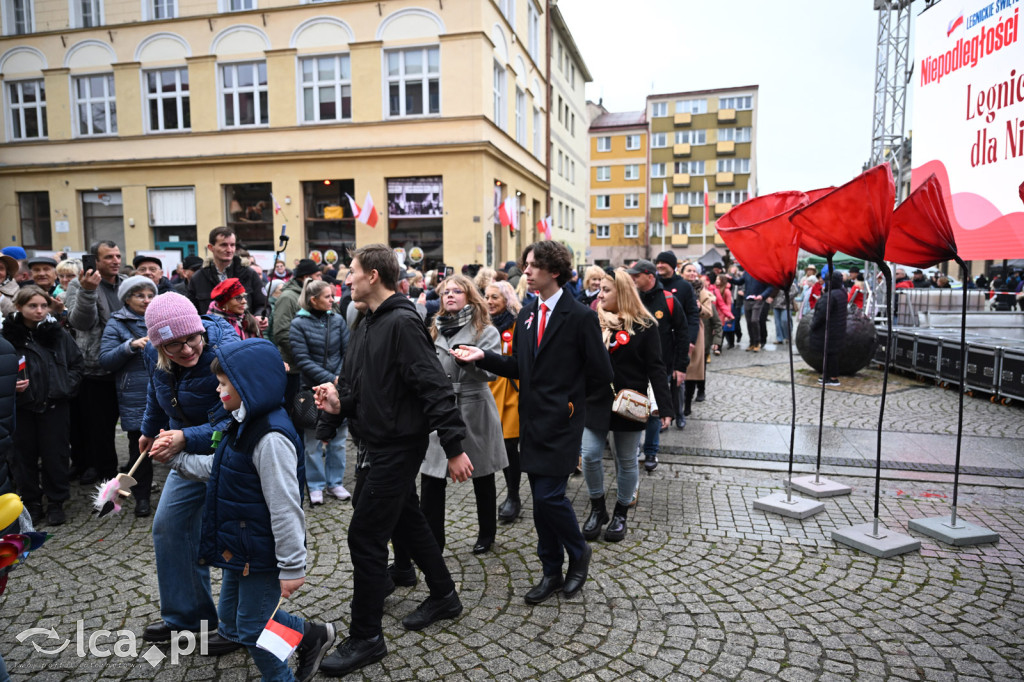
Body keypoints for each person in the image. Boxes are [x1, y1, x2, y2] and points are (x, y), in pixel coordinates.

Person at [314, 244, 471, 677]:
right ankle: (444, 595)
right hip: (374, 442)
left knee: (364, 537)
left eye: (353, 271)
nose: (346, 278)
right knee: (409, 521)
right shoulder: (367, 320)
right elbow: (357, 384)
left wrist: (454, 448)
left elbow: (434, 387)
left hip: (397, 448)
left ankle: (366, 637)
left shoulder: (402, 322)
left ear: (375, 276)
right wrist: (333, 411)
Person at [157, 339, 336, 682]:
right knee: (232, 622)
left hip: (262, 551)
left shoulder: (270, 438)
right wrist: (176, 459)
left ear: (247, 385)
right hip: (242, 545)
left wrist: (291, 566)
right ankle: (310, 635)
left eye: (223, 383)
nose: (217, 388)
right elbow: (218, 468)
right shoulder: (240, 421)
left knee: (252, 627)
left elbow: (285, 507)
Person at [455, 241, 613, 604]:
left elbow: (601, 373)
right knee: (541, 504)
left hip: (563, 423)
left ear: (553, 271)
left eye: (531, 266)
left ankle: (579, 552)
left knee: (549, 497)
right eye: (525, 265)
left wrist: (569, 405)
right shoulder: (527, 314)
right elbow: (520, 368)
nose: (525, 272)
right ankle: (550, 571)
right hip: (533, 423)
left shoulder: (580, 316)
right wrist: (484, 357)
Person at [138, 292, 241, 654]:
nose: (184, 350)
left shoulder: (225, 353)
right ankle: (189, 617)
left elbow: (233, 417)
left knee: (236, 540)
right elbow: (157, 389)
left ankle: (238, 627)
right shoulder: (155, 353)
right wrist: (149, 429)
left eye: (190, 339)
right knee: (169, 526)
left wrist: (186, 437)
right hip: (184, 450)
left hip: (229, 457)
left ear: (200, 330)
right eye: (172, 345)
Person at [414, 275, 506, 555]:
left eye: (457, 291)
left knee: (482, 473)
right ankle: (433, 540)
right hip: (440, 409)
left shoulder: (485, 330)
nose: (450, 296)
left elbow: (492, 372)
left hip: (474, 405)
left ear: (470, 296)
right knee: (431, 475)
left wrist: (470, 362)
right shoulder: (433, 330)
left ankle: (486, 533)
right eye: (445, 292)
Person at [581, 270, 671, 543]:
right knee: (589, 455)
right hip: (595, 400)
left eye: (606, 290)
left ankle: (621, 513)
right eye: (599, 290)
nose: (600, 295)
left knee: (627, 459)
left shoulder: (644, 326)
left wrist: (666, 407)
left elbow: (656, 368)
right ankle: (598, 509)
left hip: (631, 403)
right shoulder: (591, 321)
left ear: (622, 292)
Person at [2, 286, 83, 525]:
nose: (39, 311)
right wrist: (10, 386)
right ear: (19, 307)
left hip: (55, 406)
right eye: (32, 306)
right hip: (21, 408)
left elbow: (77, 365)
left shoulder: (57, 334)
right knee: (22, 457)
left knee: (55, 456)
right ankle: (32, 502)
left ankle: (56, 501)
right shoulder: (7, 336)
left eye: (43, 306)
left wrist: (64, 387)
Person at [63, 240, 127, 485]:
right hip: (95, 368)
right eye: (109, 257)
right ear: (96, 261)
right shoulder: (79, 285)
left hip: (125, 365)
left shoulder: (125, 285)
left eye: (118, 255)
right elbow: (80, 323)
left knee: (130, 426)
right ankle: (106, 476)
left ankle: (132, 471)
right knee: (100, 428)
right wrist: (88, 291)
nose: (115, 261)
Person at [99, 275, 158, 517]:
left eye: (150, 295)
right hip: (136, 394)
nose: (146, 300)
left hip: (165, 389)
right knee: (140, 450)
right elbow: (105, 360)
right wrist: (130, 346)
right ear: (126, 298)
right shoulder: (117, 323)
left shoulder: (160, 317)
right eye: (139, 295)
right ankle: (142, 497)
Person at [289, 279, 350, 505]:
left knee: (339, 440)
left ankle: (335, 482)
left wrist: (339, 379)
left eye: (333, 296)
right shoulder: (298, 324)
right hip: (311, 388)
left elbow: (347, 352)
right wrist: (329, 378)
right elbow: (302, 359)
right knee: (313, 441)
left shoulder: (338, 320)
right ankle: (315, 485)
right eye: (327, 297)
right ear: (313, 300)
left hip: (338, 388)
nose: (332, 300)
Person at [628, 259, 688, 467]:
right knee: (634, 407)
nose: (633, 279)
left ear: (650, 277)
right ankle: (633, 448)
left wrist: (681, 366)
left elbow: (682, 334)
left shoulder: (669, 300)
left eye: (637, 275)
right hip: (634, 365)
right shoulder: (632, 299)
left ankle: (651, 451)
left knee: (654, 410)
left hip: (660, 365)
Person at [484, 281, 523, 524]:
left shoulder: (518, 324)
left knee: (509, 446)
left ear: (506, 299)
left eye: (494, 297)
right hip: (489, 390)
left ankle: (513, 496)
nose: (489, 301)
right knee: (496, 445)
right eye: (487, 296)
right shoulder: (483, 323)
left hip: (513, 392)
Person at [271, 258, 322, 420]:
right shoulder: (288, 297)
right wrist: (304, 355)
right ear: (307, 277)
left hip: (309, 367)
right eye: (318, 275)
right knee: (296, 415)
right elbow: (281, 333)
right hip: (294, 369)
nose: (321, 279)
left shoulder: (309, 295)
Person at [188, 226, 268, 318]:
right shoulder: (198, 278)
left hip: (243, 331)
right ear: (211, 247)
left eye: (232, 245)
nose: (229, 250)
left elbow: (263, 305)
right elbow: (192, 313)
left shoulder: (249, 274)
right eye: (224, 245)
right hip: (212, 331)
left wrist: (260, 316)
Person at [680, 263, 713, 415]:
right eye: (689, 270)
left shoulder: (701, 290)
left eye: (694, 271)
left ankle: (687, 404)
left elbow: (709, 312)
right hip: (677, 328)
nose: (692, 273)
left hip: (695, 331)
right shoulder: (676, 286)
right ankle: (676, 404)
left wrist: (699, 307)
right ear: (682, 273)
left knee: (692, 369)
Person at [810, 270, 848, 386]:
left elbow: (822, 313)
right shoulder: (842, 292)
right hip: (837, 328)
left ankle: (832, 377)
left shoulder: (830, 296)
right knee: (830, 354)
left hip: (829, 329)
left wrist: (813, 325)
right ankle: (827, 376)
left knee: (829, 354)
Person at [741, 267, 774, 352]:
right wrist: (730, 279)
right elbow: (739, 281)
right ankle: (752, 343)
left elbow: (770, 287)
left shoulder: (763, 272)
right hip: (747, 300)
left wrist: (762, 295)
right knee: (749, 322)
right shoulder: (747, 272)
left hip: (758, 300)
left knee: (754, 320)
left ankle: (757, 342)